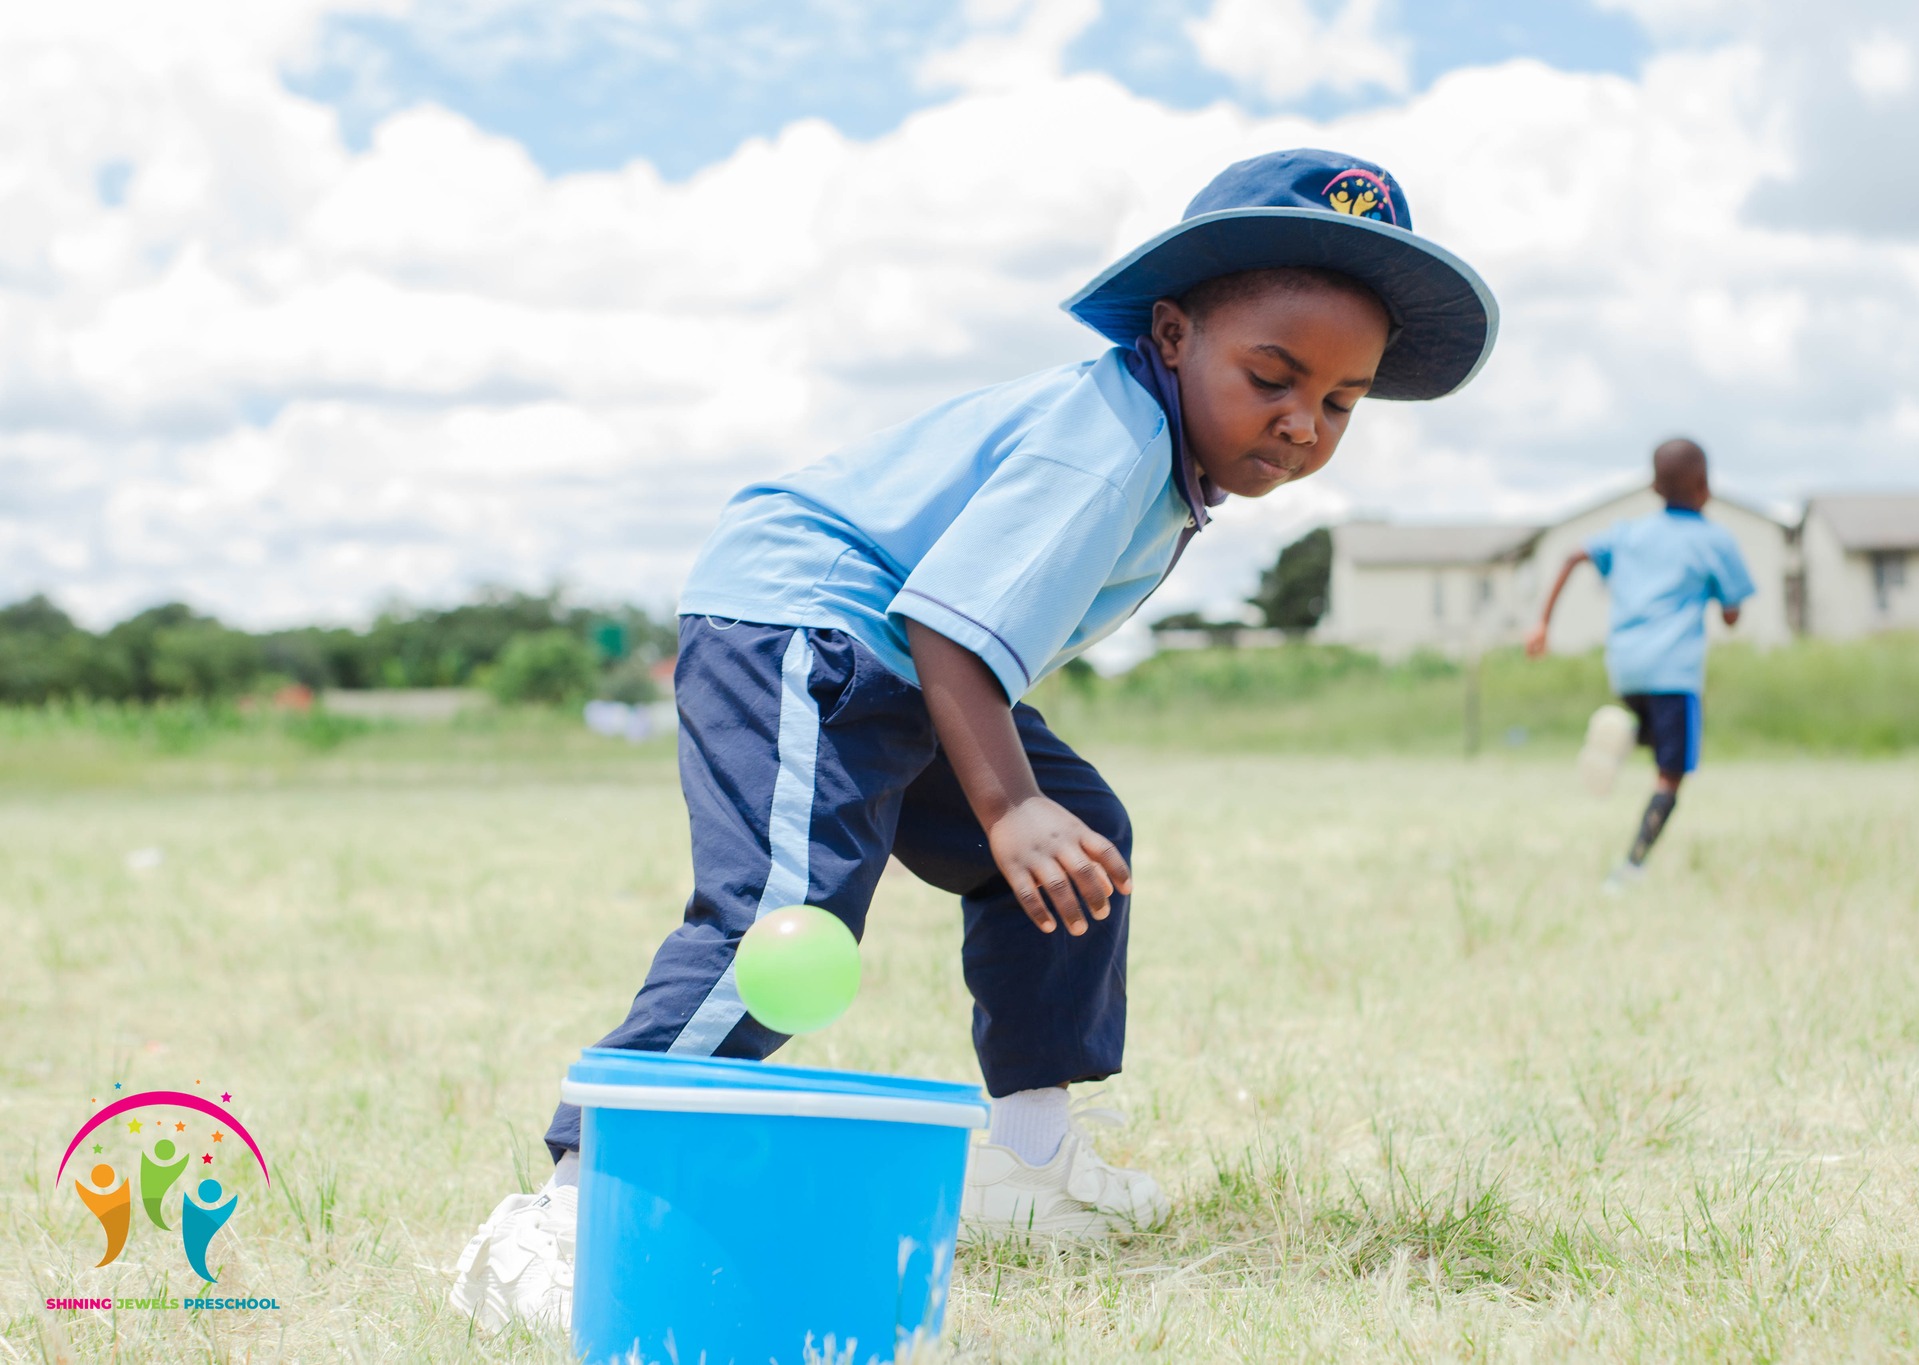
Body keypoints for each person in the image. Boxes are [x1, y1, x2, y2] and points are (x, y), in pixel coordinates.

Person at [450, 148, 1497, 1333]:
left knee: (1081, 835)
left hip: (899, 650)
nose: (1301, 421)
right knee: (784, 920)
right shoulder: (1106, 441)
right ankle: (572, 1207)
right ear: (1169, 336)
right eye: (1271, 375)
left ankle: (1027, 1165)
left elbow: (963, 640)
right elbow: (946, 629)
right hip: (808, 623)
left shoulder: (1169, 461)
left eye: (1339, 402)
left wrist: (1028, 808)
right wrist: (1003, 806)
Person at [1526, 438, 1755, 887]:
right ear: (1705, 484)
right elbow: (1731, 615)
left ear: (1653, 486)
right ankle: (1631, 867)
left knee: (1651, 726)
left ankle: (1623, 731)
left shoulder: (1628, 532)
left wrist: (1542, 625)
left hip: (1626, 667)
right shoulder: (1714, 539)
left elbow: (1575, 554)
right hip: (1675, 672)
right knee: (1671, 774)